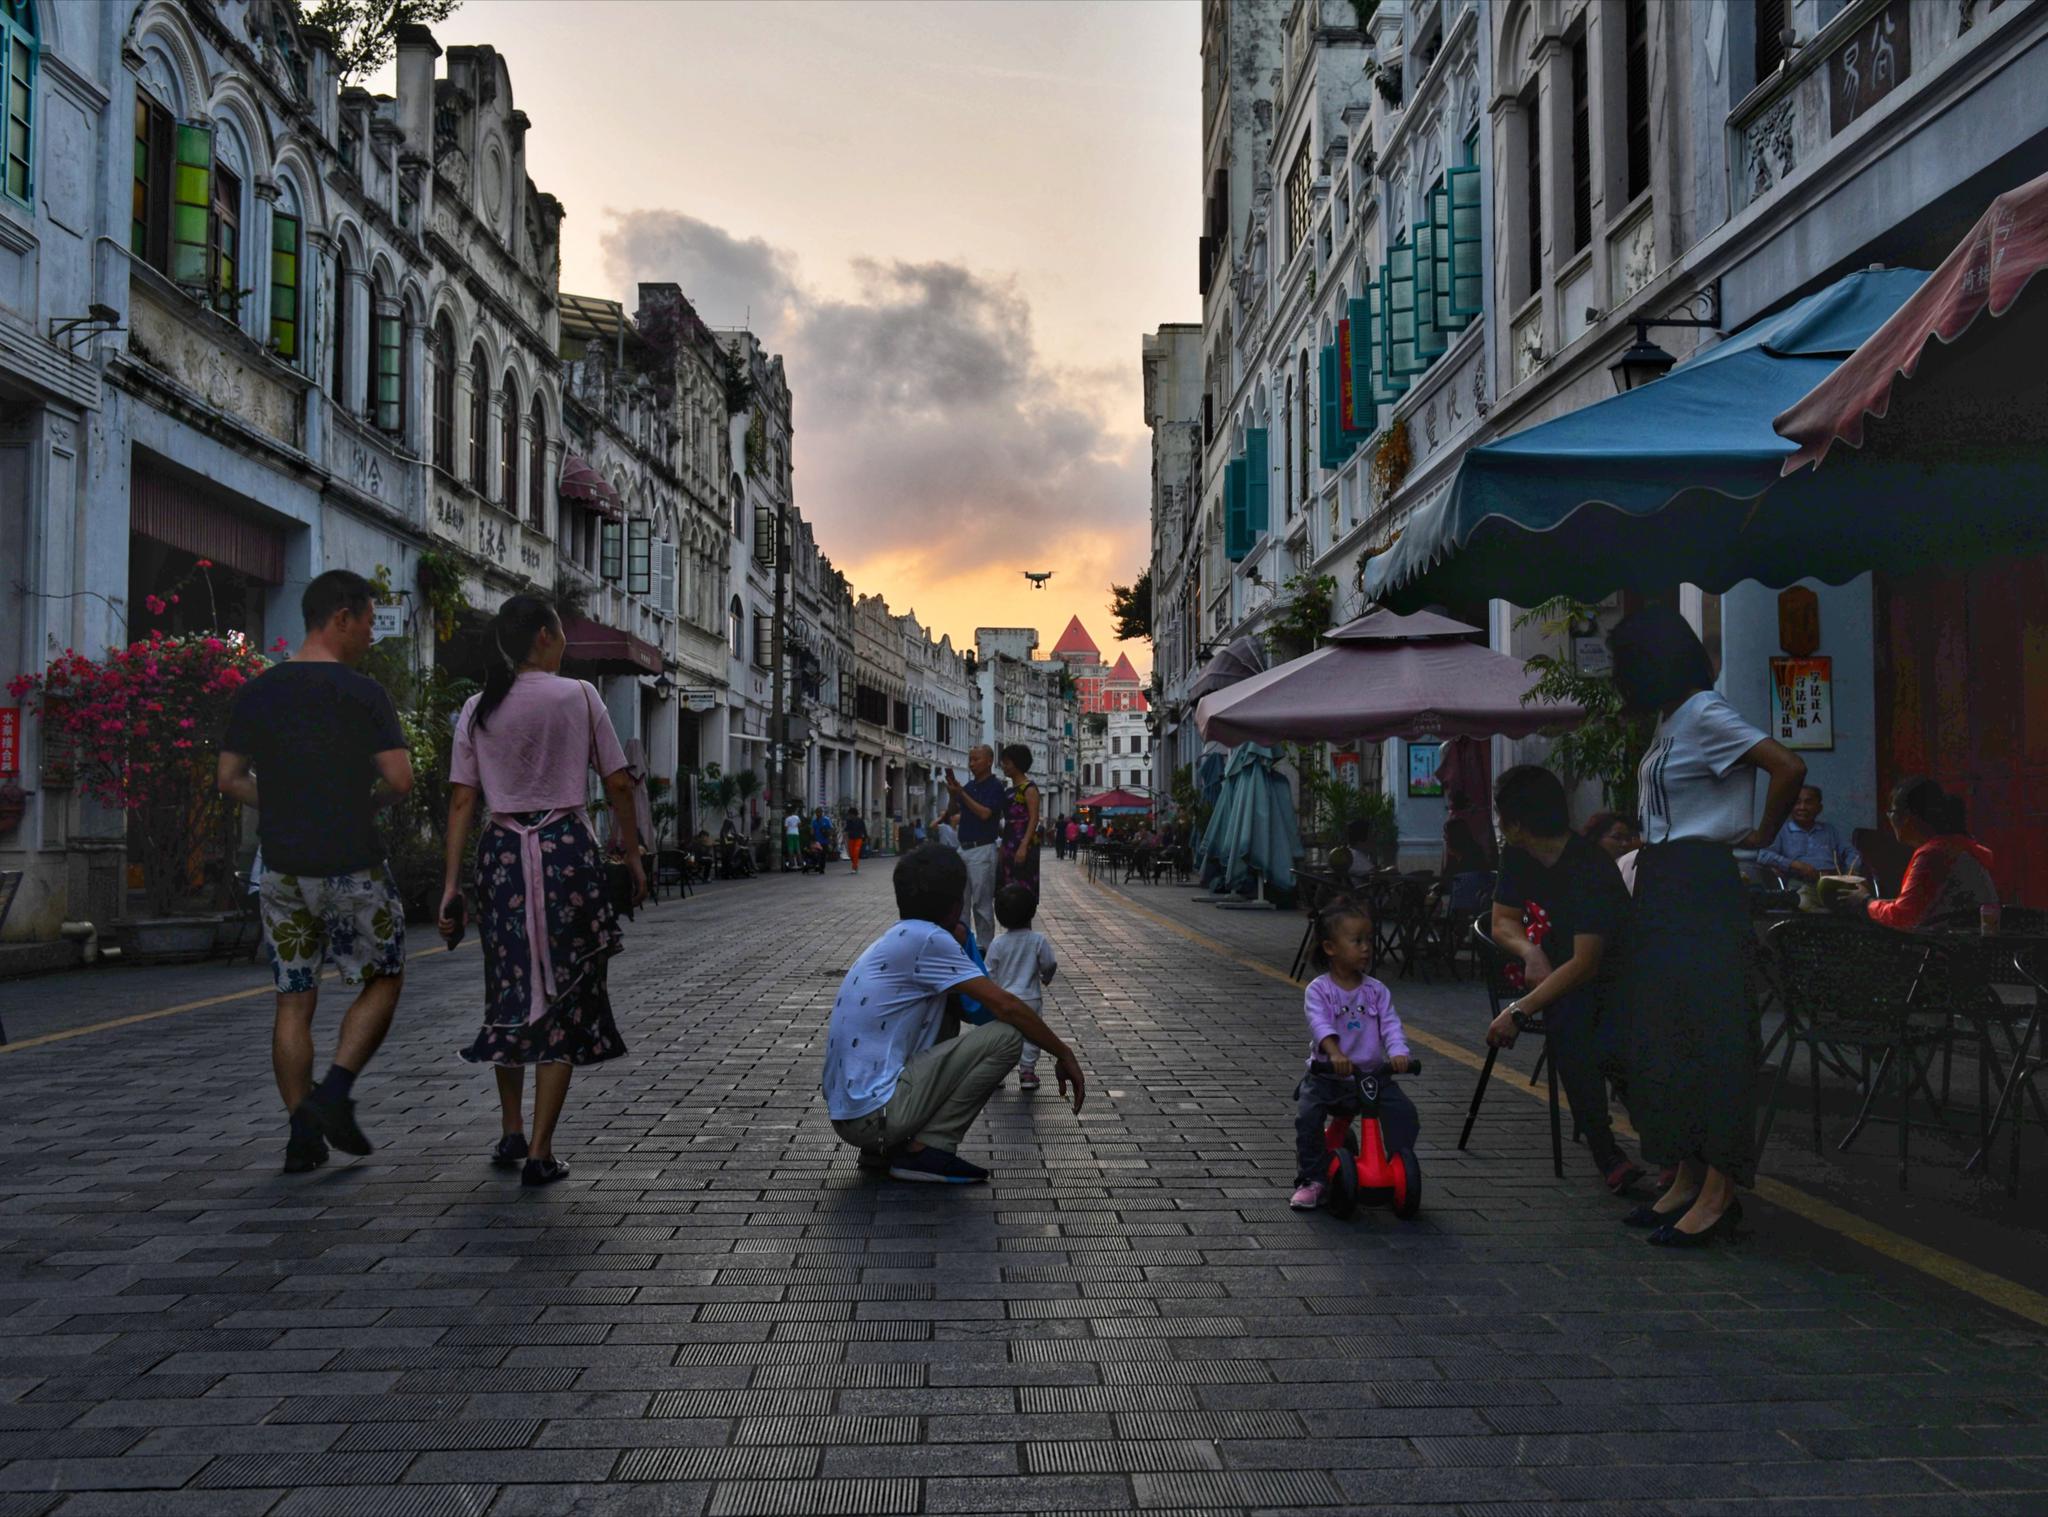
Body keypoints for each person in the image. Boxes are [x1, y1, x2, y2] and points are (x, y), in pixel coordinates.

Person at [1609, 605, 1805, 1247]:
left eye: (1625, 664)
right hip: (1665, 881)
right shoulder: (1672, 719)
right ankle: (1688, 1176)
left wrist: (1764, 832)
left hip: (1699, 882)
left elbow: (1787, 765)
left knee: (1714, 1034)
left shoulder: (1704, 711)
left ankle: (1720, 1192)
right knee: (1668, 1037)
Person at [439, 595, 643, 1188]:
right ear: (547, 637)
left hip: (501, 857)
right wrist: (632, 855)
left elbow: (462, 800)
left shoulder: (478, 707)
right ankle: (541, 1151)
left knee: (509, 988)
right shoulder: (580, 696)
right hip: (565, 855)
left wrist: (450, 885)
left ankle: (511, 1129)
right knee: (565, 994)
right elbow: (619, 784)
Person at [218, 569, 413, 1175]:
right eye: (368, 623)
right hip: (350, 863)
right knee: (384, 974)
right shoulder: (362, 693)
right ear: (341, 617)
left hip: (281, 868)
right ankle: (334, 1092)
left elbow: (228, 778)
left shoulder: (258, 691)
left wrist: (281, 805)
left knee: (293, 998)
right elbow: (400, 779)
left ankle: (302, 1134)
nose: (370, 636)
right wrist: (364, 805)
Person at [822, 845, 1086, 1183]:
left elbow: (972, 1011)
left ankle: (886, 1148)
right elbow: (1002, 1008)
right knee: (1007, 1038)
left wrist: (963, 943)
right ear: (956, 905)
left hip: (854, 1116)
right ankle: (928, 1149)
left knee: (947, 1007)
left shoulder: (897, 937)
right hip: (875, 1117)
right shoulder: (929, 939)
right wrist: (1063, 1052)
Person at [1486, 766, 1643, 1196]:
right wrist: (1530, 951)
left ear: (1516, 822)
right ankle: (1607, 1153)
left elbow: (1588, 963)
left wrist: (1519, 1011)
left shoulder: (1589, 867)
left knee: (1603, 1040)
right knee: (1570, 1026)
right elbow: (1502, 922)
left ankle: (1666, 1148)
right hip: (1564, 976)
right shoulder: (1518, 855)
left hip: (1621, 976)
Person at [1289, 896, 1416, 1210]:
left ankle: (1396, 1164)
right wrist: (1334, 1053)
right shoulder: (1319, 990)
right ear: (1331, 948)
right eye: (1357, 941)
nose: (1366, 948)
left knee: (1404, 1112)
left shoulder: (1376, 990)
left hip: (1371, 1077)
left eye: (1368, 940)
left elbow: (1391, 1025)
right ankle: (1313, 1179)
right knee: (1308, 1117)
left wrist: (1399, 1053)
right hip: (1328, 1076)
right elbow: (1319, 1024)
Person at [1843, 777, 1994, 931]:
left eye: (1892, 812)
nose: (1889, 818)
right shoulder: (1961, 846)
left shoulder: (1933, 855)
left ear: (1907, 817)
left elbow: (1902, 917)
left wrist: (1865, 902)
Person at [987, 884, 1058, 1091]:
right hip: (1031, 999)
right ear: (1032, 912)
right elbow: (1050, 963)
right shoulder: (1037, 940)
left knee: (1002, 1036)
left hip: (1004, 1000)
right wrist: (1046, 977)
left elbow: (989, 971)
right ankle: (1027, 1072)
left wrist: (992, 992)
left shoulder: (997, 943)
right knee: (1031, 1035)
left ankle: (999, 1073)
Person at [945, 746, 1008, 943]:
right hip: (964, 847)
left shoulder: (995, 786)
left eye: (976, 759)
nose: (971, 764)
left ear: (989, 761)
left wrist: (962, 794)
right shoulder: (969, 786)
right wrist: (953, 794)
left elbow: (985, 813)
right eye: (970, 759)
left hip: (982, 848)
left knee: (982, 903)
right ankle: (963, 945)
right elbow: (952, 812)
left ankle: (985, 947)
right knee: (960, 903)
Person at [1758, 784, 1861, 883]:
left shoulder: (1829, 830)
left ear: (1819, 808)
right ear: (1790, 807)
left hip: (1830, 881)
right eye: (1797, 802)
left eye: (1808, 802)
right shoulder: (1781, 831)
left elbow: (1852, 853)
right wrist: (1796, 865)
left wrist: (1849, 872)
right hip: (1798, 881)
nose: (1802, 807)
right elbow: (1763, 855)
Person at [996, 744, 1042, 900]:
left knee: (1023, 886)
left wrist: (1023, 845)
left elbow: (1034, 818)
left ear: (1017, 763)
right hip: (1009, 839)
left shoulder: (1029, 788)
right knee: (1008, 886)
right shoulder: (1010, 790)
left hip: (1023, 841)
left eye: (1007, 763)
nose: (1004, 766)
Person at [844, 806, 867, 872]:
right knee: (851, 854)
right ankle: (855, 865)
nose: (849, 816)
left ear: (853, 814)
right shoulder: (848, 821)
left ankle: (854, 867)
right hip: (851, 838)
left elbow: (864, 829)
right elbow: (847, 829)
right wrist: (844, 833)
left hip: (858, 839)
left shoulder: (860, 820)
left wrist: (865, 837)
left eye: (850, 814)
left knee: (856, 853)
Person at [783, 805, 802, 871]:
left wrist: (788, 829)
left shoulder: (787, 819)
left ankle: (792, 863)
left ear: (787, 813)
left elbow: (785, 828)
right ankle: (800, 863)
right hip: (796, 833)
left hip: (789, 834)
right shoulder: (796, 817)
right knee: (797, 848)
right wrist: (795, 826)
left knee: (790, 849)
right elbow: (799, 824)